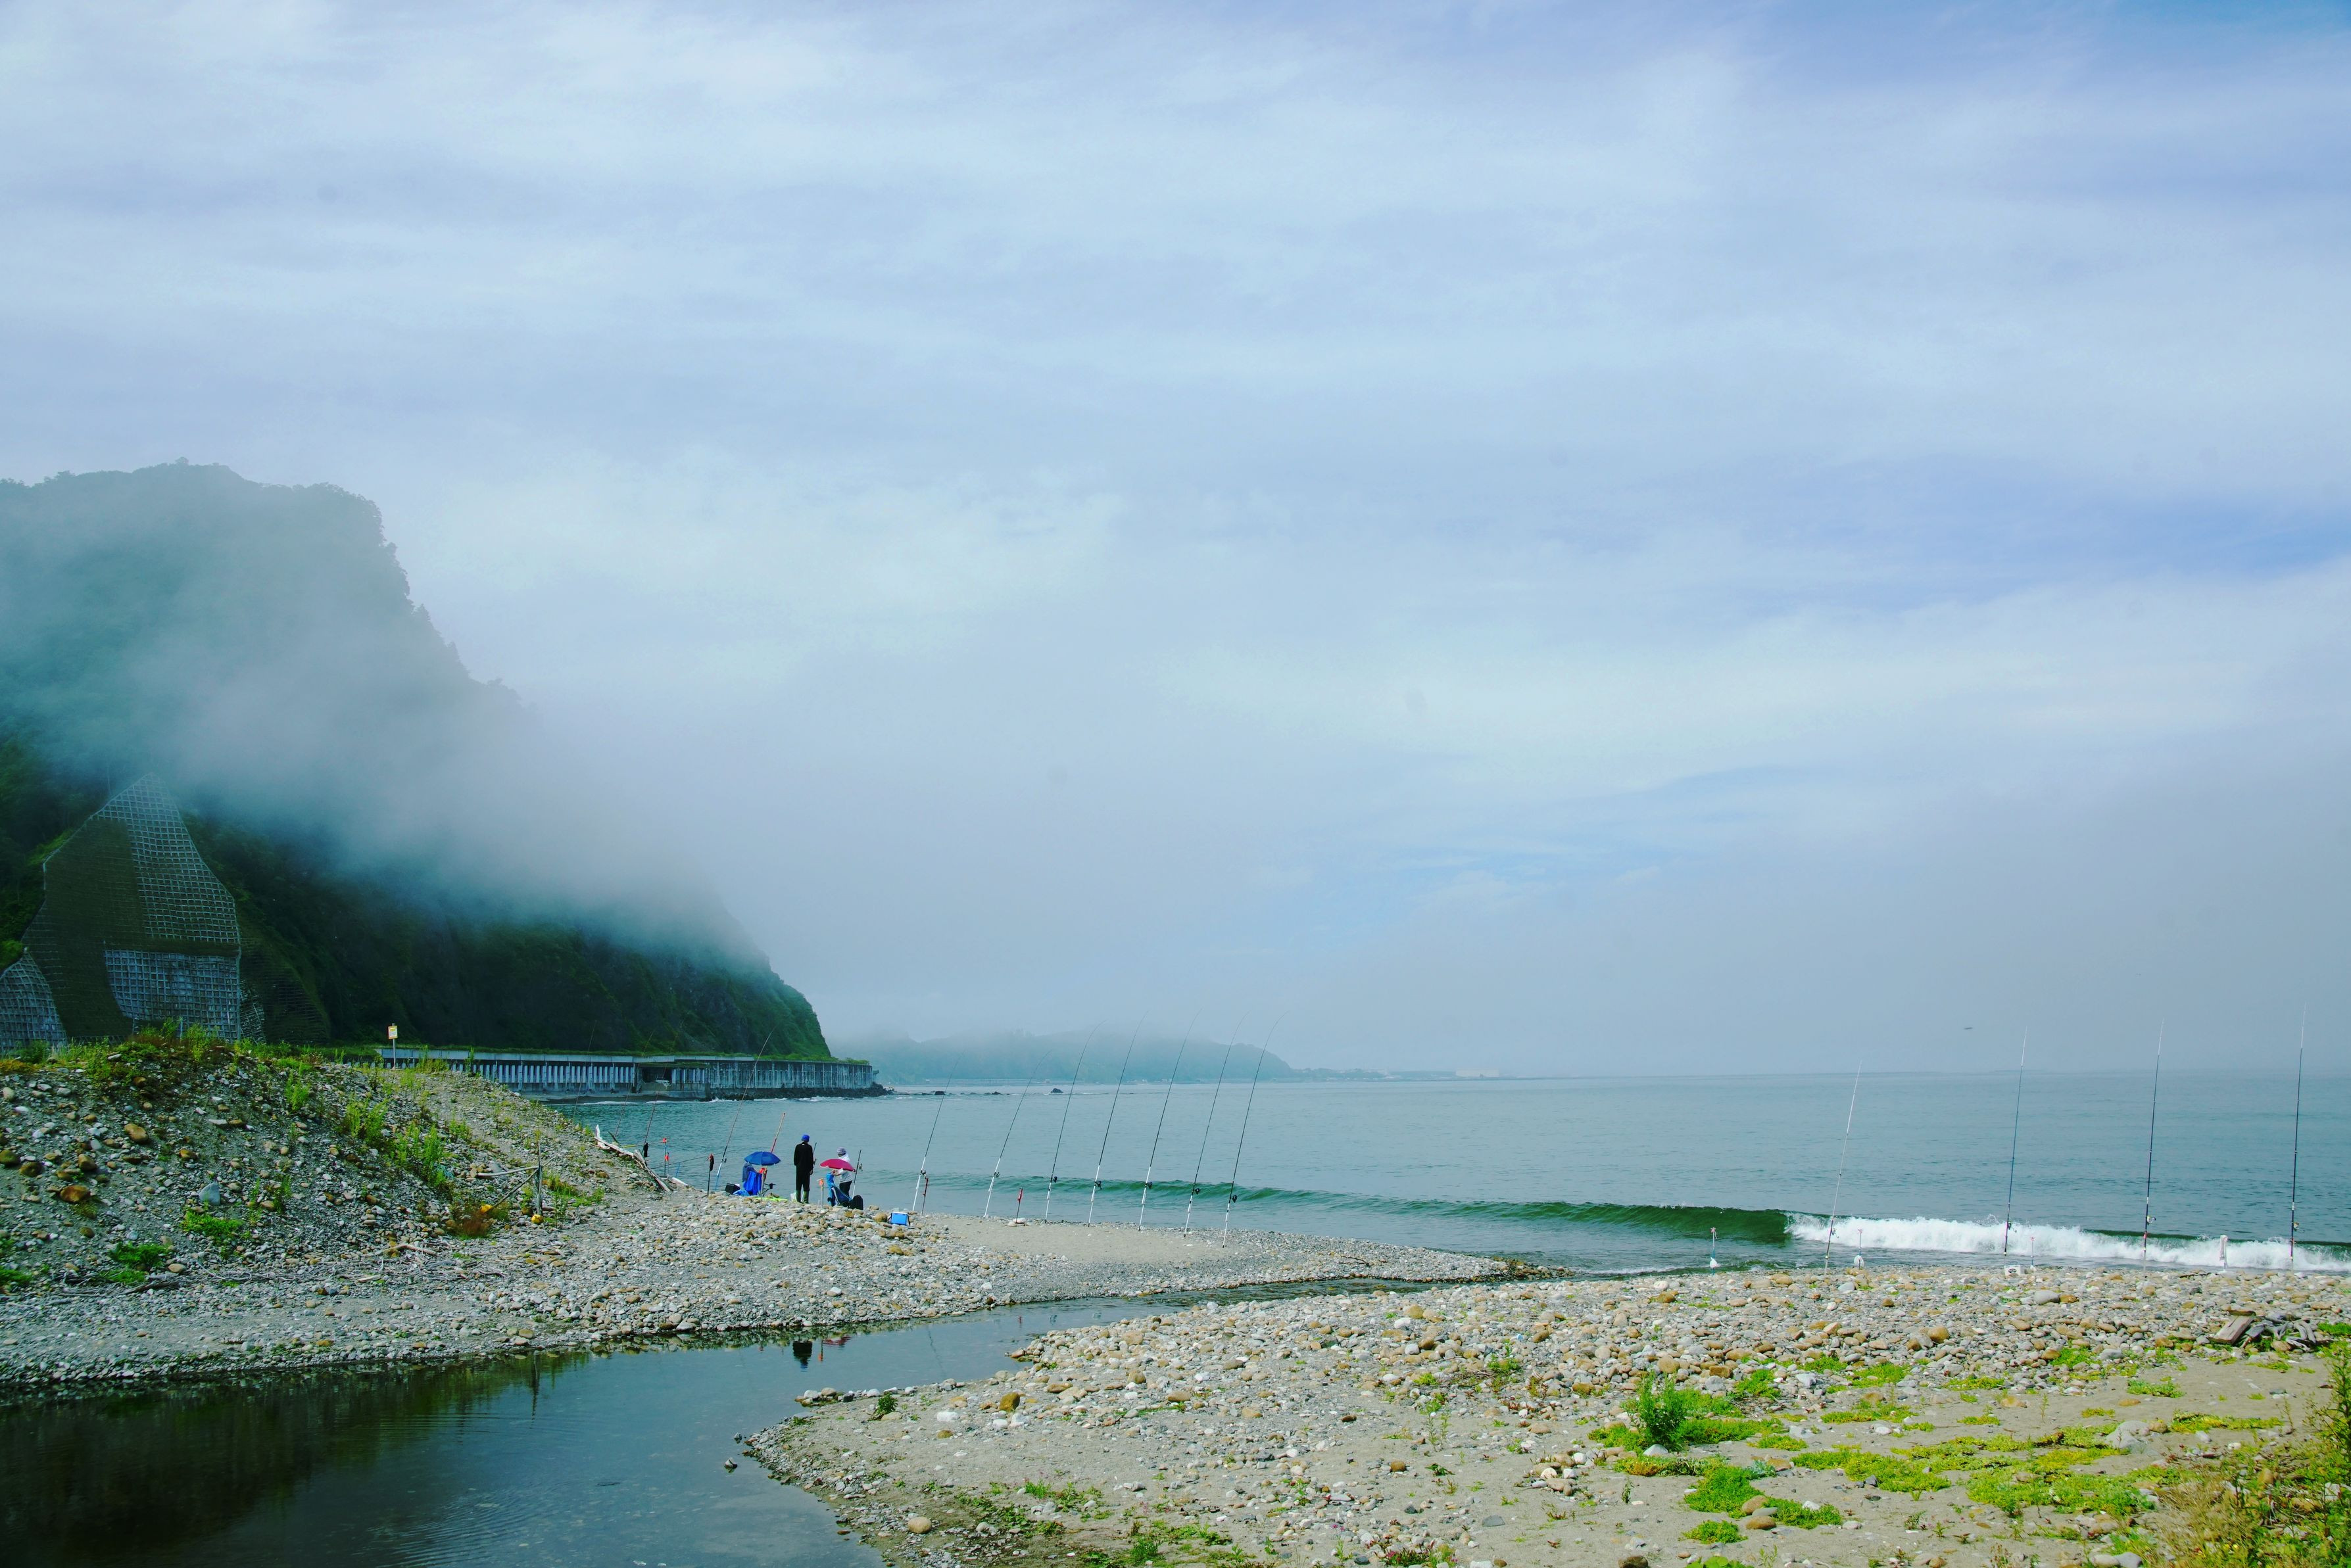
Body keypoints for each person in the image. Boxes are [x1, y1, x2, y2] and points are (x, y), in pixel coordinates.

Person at [792, 1134, 815, 1203]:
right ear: (808, 1140)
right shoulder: (809, 1147)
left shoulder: (798, 1146)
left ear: (802, 1139)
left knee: (798, 1184)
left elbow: (795, 1158)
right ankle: (805, 1200)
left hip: (799, 1169)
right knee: (806, 1184)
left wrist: (797, 1165)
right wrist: (811, 1168)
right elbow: (810, 1159)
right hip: (806, 1169)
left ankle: (798, 1200)